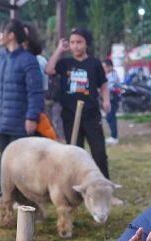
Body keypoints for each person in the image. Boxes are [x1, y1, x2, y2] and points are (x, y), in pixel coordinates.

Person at [0, 18, 44, 198]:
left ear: (11, 35)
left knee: (23, 163)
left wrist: (32, 117)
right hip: (1, 121)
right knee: (4, 161)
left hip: (20, 123)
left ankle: (25, 199)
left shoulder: (28, 61)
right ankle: (4, 196)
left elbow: (35, 92)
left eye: (2, 32)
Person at [46, 27, 111, 179]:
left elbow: (103, 85)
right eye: (72, 42)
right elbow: (49, 69)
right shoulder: (65, 63)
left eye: (79, 42)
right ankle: (77, 184)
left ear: (86, 44)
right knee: (75, 151)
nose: (75, 46)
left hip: (91, 115)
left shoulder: (94, 64)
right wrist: (59, 50)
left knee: (99, 152)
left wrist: (106, 100)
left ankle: (103, 183)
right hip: (70, 115)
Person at [103, 58, 120, 145]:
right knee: (109, 117)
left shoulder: (112, 76)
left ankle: (114, 137)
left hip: (112, 99)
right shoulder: (109, 75)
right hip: (110, 98)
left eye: (105, 67)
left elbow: (109, 87)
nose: (104, 69)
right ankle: (113, 136)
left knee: (111, 117)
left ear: (109, 67)